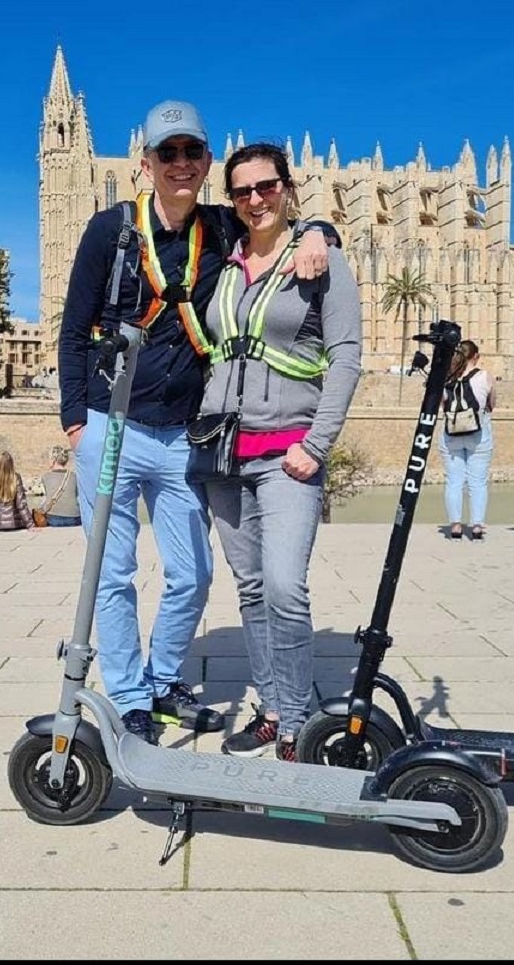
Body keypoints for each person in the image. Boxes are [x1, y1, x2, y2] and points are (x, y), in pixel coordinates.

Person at [58, 99, 334, 745]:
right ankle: (130, 695)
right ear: (146, 162)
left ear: (206, 161)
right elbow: (73, 330)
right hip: (112, 425)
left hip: (185, 433)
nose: (180, 163)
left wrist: (321, 229)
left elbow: (278, 224)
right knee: (112, 570)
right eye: (168, 153)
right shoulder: (110, 230)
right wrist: (76, 420)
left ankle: (158, 681)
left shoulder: (221, 225)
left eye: (191, 152)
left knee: (193, 573)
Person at [197, 143, 362, 761]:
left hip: (290, 452)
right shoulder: (225, 263)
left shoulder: (321, 260)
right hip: (224, 454)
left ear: (288, 188)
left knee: (286, 586)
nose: (255, 200)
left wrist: (316, 446)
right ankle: (271, 708)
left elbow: (346, 356)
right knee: (250, 590)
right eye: (242, 192)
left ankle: (297, 721)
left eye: (266, 187)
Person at [438, 340, 496, 541]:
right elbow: (492, 404)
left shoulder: (446, 378)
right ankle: (477, 527)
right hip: (478, 435)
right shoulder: (485, 377)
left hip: (451, 434)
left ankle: (455, 526)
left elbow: (441, 405)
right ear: (476, 357)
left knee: (454, 481)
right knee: (478, 482)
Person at [39, 445, 81, 527]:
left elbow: (46, 499)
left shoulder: (46, 477)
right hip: (74, 518)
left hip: (53, 518)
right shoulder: (74, 476)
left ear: (53, 460)